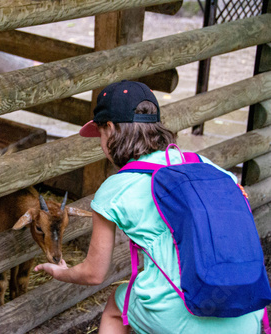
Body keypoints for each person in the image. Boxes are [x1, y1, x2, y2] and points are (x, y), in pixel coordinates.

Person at [33, 80, 264, 333]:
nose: (100, 144)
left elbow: (93, 274)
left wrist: (61, 272)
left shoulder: (115, 189)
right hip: (247, 308)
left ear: (110, 128)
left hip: (181, 313)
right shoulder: (204, 165)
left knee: (114, 308)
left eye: (99, 134)